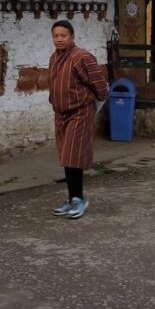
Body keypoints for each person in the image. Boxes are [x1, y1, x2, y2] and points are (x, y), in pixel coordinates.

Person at [47, 20, 108, 220]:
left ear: (72, 37)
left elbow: (100, 85)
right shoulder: (55, 58)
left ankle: (79, 200)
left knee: (73, 155)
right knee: (66, 156)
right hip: (61, 114)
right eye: (56, 36)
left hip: (79, 112)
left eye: (63, 35)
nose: (59, 39)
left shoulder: (81, 57)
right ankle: (72, 198)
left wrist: (92, 104)